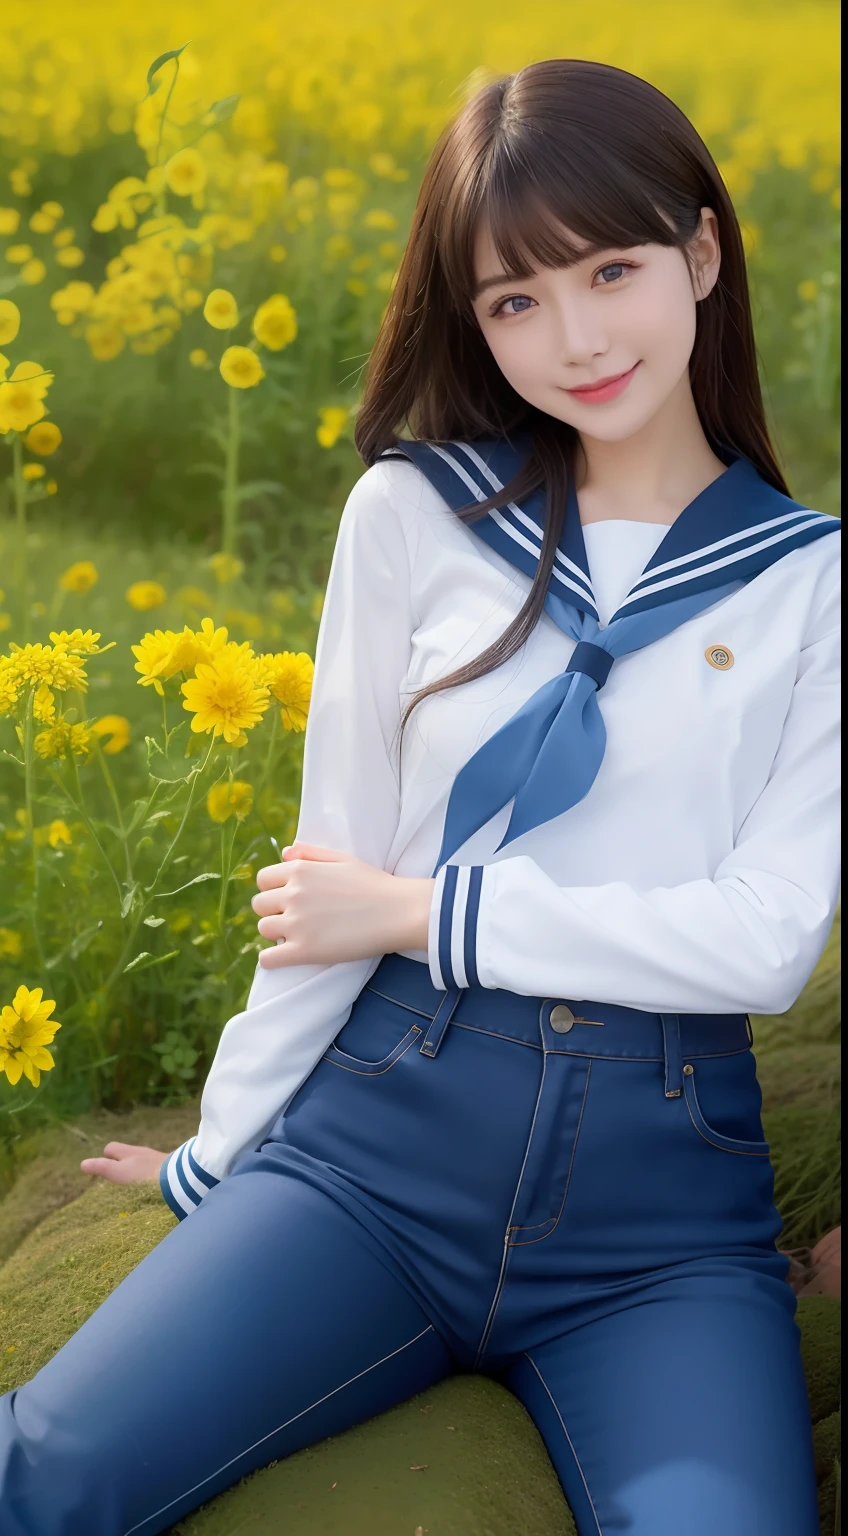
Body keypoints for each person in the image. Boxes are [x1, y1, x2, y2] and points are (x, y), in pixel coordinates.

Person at [0, 58, 839, 1536]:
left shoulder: (813, 583)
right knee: (54, 1467)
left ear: (703, 252)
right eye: (514, 300)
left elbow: (762, 942)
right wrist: (215, 1151)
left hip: (662, 1220)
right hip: (379, 1152)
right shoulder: (413, 515)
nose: (574, 337)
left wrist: (429, 913)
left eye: (611, 269)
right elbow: (327, 894)